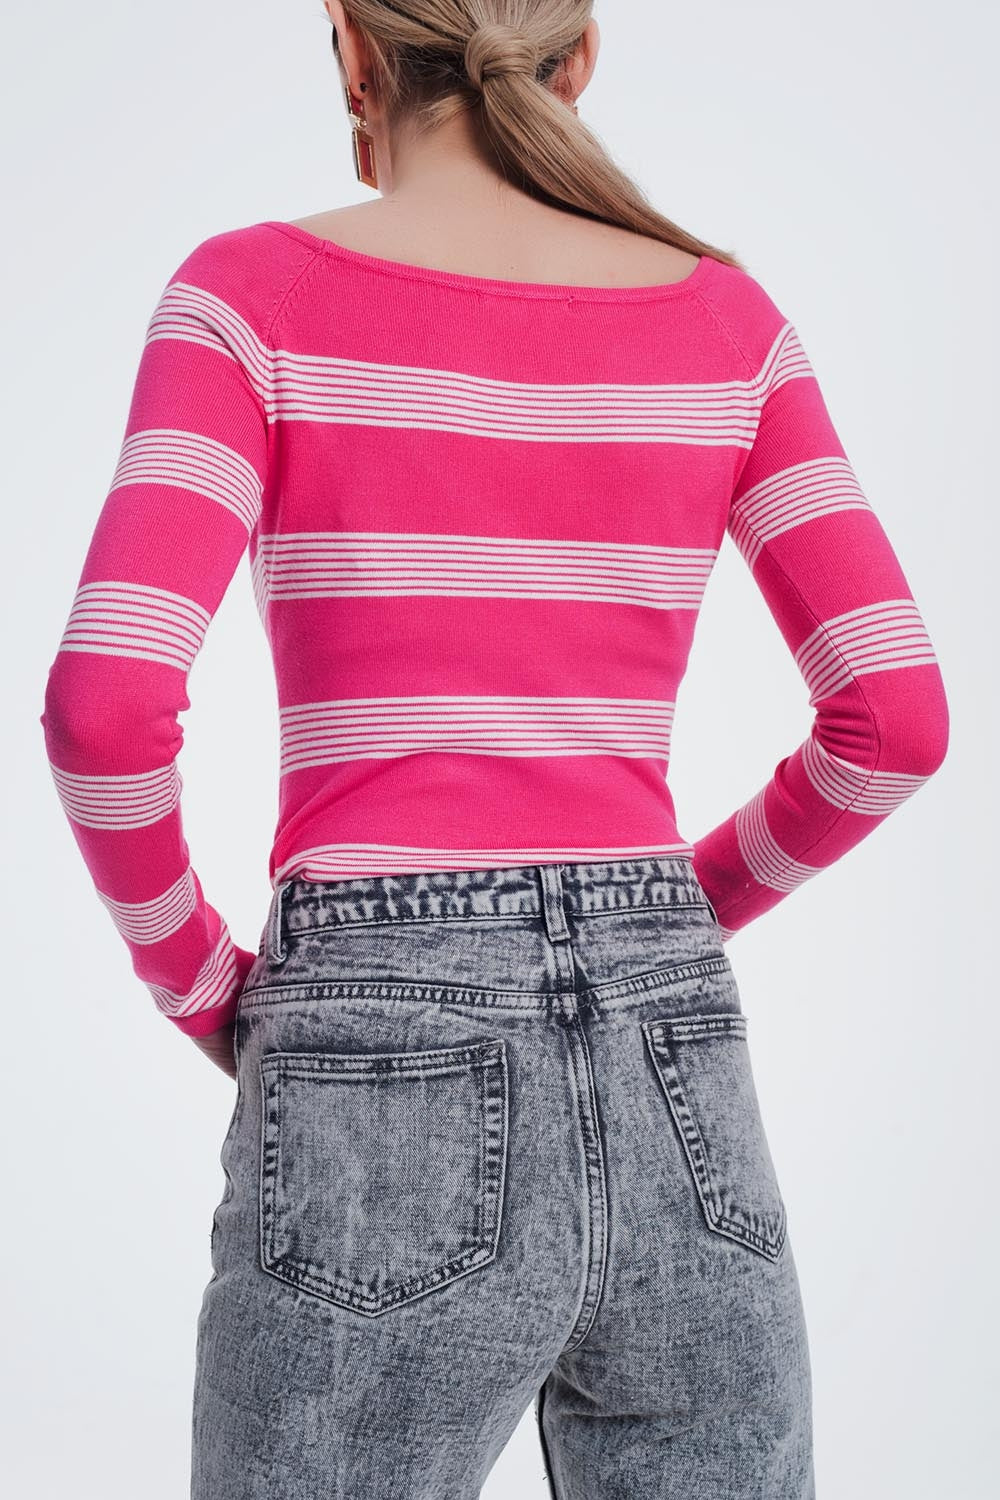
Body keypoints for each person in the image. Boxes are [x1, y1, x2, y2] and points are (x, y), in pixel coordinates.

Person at [39, 2, 949, 1496]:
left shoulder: (246, 299)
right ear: (577, 56)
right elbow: (895, 718)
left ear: (351, 48)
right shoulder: (730, 325)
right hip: (676, 1048)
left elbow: (104, 708)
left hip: (370, 1024)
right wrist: (678, 910)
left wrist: (200, 984)